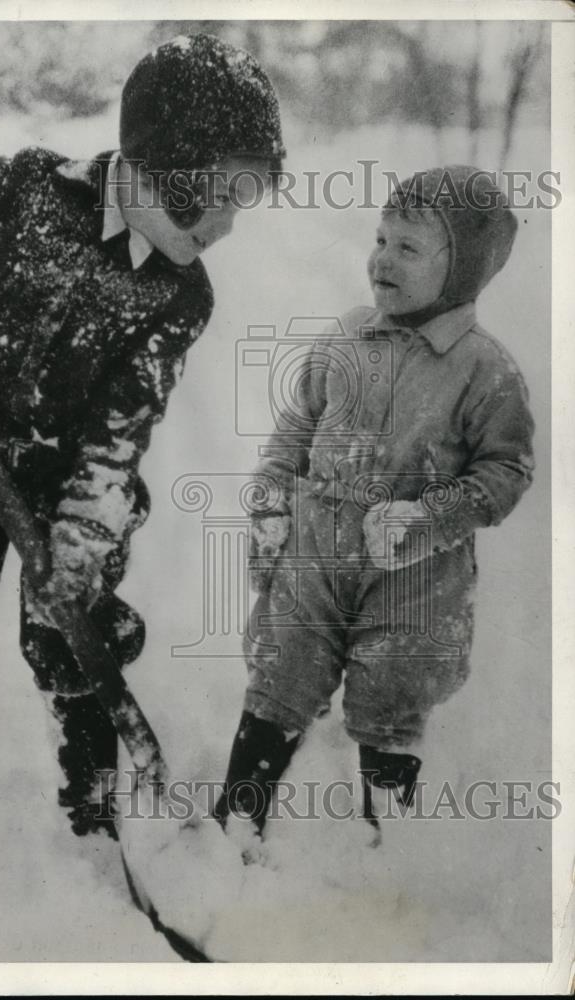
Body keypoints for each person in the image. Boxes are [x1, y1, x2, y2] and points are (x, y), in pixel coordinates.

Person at [0, 33, 285, 840]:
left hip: (71, 479)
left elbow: (122, 429)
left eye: (243, 202)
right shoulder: (35, 185)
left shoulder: (177, 294)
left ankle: (90, 795)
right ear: (163, 164)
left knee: (67, 636)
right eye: (219, 196)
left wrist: (84, 531)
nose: (226, 224)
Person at [214, 165, 535, 839]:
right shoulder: (344, 337)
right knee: (281, 671)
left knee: (391, 692)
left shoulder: (485, 370)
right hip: (315, 548)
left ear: (462, 271)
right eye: (380, 239)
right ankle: (237, 820)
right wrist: (272, 491)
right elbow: (298, 423)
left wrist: (430, 517)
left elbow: (505, 469)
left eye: (407, 248)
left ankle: (384, 840)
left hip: (413, 574)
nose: (381, 259)